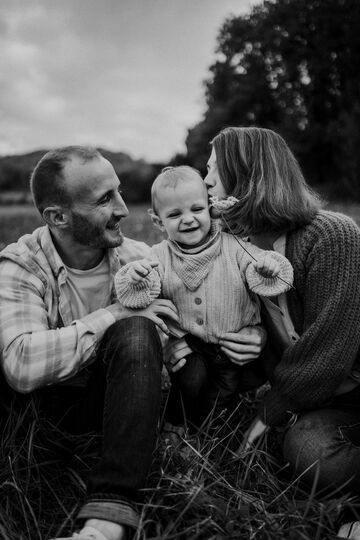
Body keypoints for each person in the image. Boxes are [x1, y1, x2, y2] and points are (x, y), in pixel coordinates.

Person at [0, 146, 181, 540]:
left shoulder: (139, 260)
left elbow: (183, 324)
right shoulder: (21, 265)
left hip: (120, 404)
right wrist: (114, 315)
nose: (122, 209)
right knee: (129, 323)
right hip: (44, 417)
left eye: (118, 192)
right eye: (104, 199)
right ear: (58, 217)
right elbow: (20, 364)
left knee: (137, 333)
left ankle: (109, 515)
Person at [204, 126, 360, 538]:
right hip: (333, 405)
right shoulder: (237, 250)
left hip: (352, 386)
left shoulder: (331, 236)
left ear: (248, 176)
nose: (205, 181)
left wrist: (268, 414)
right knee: (309, 453)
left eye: (214, 170)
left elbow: (330, 350)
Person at [114, 165, 293, 432]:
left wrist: (266, 267)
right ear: (158, 222)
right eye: (175, 214)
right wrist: (136, 277)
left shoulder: (233, 246)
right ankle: (175, 425)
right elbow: (141, 291)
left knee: (222, 392)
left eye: (196, 210)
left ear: (209, 208)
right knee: (189, 380)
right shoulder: (158, 255)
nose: (188, 219)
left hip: (231, 341)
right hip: (188, 343)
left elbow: (259, 265)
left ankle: (210, 433)